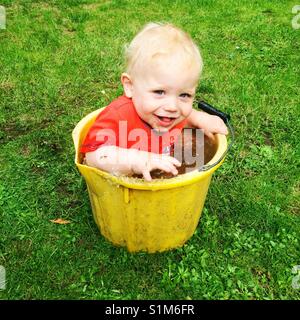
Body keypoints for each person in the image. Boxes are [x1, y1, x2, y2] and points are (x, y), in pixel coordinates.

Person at [80, 22, 228, 181]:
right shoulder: (118, 116)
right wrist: (136, 160)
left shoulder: (168, 113)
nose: (173, 107)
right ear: (130, 86)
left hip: (159, 162)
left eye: (184, 95)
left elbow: (186, 115)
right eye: (159, 92)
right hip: (121, 190)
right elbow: (93, 156)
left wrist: (199, 118)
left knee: (191, 145)